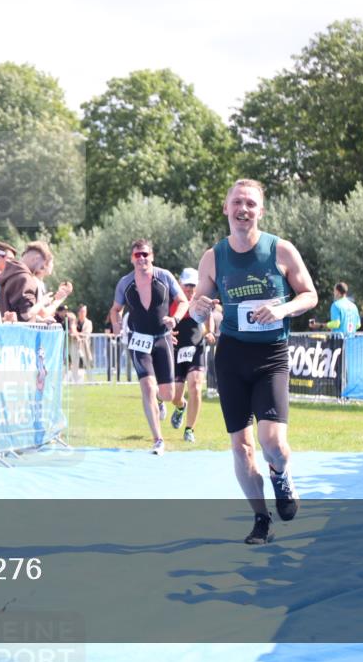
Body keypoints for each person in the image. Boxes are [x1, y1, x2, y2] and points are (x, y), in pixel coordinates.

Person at [189, 179, 317, 545]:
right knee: (242, 447)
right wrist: (198, 308)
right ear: (226, 209)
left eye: (250, 204)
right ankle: (261, 519)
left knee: (272, 442)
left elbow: (309, 294)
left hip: (271, 355)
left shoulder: (281, 250)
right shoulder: (213, 257)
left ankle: (281, 474)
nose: (243, 209)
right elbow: (200, 304)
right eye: (237, 203)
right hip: (231, 356)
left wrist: (282, 307)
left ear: (260, 211)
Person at [109, 239, 188, 455]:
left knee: (168, 393)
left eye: (145, 254)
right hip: (138, 340)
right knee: (148, 387)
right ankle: (158, 440)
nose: (141, 258)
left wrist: (175, 319)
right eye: (137, 255)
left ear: (152, 256)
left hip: (162, 338)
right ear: (132, 258)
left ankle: (164, 402)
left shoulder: (164, 277)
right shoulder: (125, 283)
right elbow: (115, 309)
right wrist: (116, 326)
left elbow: (183, 301)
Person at [169, 268, 216, 444]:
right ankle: (181, 407)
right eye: (187, 284)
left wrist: (210, 332)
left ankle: (189, 429)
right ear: (180, 284)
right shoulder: (174, 301)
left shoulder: (201, 301)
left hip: (196, 347)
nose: (189, 288)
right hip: (177, 350)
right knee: (175, 395)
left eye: (193, 285)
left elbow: (208, 318)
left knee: (195, 386)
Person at [0, 241, 72, 322]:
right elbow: (26, 314)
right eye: (42, 264)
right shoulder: (25, 278)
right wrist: (43, 302)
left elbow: (17, 312)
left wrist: (41, 321)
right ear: (35, 259)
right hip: (20, 333)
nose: (41, 268)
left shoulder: (14, 273)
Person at [69, 303, 93, 383]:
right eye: (82, 311)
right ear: (79, 312)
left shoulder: (89, 322)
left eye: (85, 311)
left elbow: (87, 333)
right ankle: (75, 381)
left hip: (85, 345)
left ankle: (90, 380)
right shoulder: (74, 322)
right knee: (75, 363)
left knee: (88, 362)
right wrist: (77, 335)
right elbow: (72, 330)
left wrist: (77, 335)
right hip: (75, 345)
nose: (84, 313)